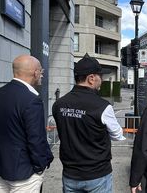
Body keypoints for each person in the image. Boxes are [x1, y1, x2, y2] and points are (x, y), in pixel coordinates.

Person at [52, 53, 125, 193]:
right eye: (100, 77)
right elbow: (117, 135)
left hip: (70, 174)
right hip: (97, 175)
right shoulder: (102, 106)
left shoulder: (58, 104)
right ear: (91, 78)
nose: (101, 81)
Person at [0, 55, 53, 192]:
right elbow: (36, 140)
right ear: (35, 72)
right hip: (24, 173)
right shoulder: (32, 100)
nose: (41, 75)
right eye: (41, 71)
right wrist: (40, 166)